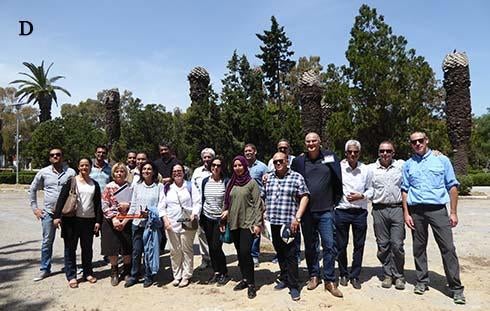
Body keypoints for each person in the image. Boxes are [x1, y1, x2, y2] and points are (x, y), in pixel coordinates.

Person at [402, 132, 465, 304]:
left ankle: (456, 287)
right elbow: (405, 189)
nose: (417, 144)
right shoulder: (408, 165)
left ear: (426, 140)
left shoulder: (442, 160)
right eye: (414, 142)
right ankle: (422, 281)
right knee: (419, 247)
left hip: (438, 210)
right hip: (416, 212)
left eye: (420, 141)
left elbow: (452, 186)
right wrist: (406, 213)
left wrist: (453, 212)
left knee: (448, 248)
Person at [291, 132, 343, 298]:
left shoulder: (329, 157)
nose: (311, 143)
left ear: (320, 142)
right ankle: (314, 276)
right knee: (311, 246)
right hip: (307, 213)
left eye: (314, 141)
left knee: (329, 245)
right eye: (308, 141)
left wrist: (334, 201)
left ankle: (329, 280)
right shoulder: (299, 161)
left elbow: (337, 180)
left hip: (326, 210)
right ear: (305, 143)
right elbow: (290, 178)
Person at [263, 152, 309, 301]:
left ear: (287, 161)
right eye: (275, 161)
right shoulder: (269, 177)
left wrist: (298, 217)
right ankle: (284, 278)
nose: (278, 164)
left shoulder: (296, 177)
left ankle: (294, 286)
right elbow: (264, 197)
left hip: (289, 223)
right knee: (280, 252)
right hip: (273, 223)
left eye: (280, 161)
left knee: (291, 254)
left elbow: (304, 196)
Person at [53, 158, 103, 288]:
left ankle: (88, 273)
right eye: (82, 165)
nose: (84, 167)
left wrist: (98, 221)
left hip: (89, 220)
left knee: (87, 249)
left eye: (87, 165)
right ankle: (72, 276)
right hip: (72, 220)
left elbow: (97, 204)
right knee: (70, 248)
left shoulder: (94, 184)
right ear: (78, 167)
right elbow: (62, 199)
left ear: (90, 167)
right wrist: (57, 216)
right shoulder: (71, 181)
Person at [28, 148, 76, 281]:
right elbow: (32, 189)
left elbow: (76, 191)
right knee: (47, 241)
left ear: (62, 156)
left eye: (58, 155)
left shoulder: (71, 172)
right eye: (52, 155)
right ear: (49, 158)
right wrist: (35, 208)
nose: (55, 157)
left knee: (69, 242)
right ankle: (45, 269)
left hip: (67, 214)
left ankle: (70, 267)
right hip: (49, 213)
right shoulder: (43, 172)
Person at [221, 155, 264, 299]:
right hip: (234, 223)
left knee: (246, 253)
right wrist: (225, 213)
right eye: (235, 166)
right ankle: (245, 279)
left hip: (248, 223)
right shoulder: (231, 183)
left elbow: (258, 204)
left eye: (240, 165)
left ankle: (251, 284)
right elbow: (227, 201)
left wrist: (258, 224)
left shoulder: (251, 183)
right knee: (240, 254)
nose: (237, 168)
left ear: (245, 166)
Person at [367, 141, 406, 290]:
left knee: (397, 244)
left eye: (388, 151)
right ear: (378, 153)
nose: (385, 153)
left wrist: (435, 153)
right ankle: (388, 274)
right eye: (382, 151)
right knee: (383, 245)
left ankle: (399, 275)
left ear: (393, 153)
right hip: (379, 210)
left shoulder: (401, 166)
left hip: (397, 209)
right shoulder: (371, 169)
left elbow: (417, 161)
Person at [335, 140, 373, 290]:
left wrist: (361, 195)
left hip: (359, 213)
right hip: (342, 211)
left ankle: (355, 275)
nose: (353, 154)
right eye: (350, 151)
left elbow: (371, 189)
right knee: (341, 245)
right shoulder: (339, 168)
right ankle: (343, 273)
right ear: (345, 153)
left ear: (359, 153)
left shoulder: (366, 170)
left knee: (359, 245)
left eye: (355, 152)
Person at [159, 163, 201, 288]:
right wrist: (165, 221)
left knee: (186, 249)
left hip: (187, 220)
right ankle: (177, 275)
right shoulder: (167, 188)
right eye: (175, 171)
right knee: (174, 250)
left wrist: (194, 213)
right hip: (172, 222)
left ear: (183, 172)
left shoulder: (190, 186)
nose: (177, 173)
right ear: (172, 173)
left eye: (179, 171)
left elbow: (197, 202)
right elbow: (161, 206)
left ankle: (187, 275)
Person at [125, 161, 163, 288]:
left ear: (153, 172)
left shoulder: (159, 187)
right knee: (136, 251)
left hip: (151, 225)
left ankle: (149, 275)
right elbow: (133, 205)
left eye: (149, 169)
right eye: (144, 169)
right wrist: (126, 219)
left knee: (149, 251)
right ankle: (134, 275)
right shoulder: (137, 186)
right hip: (137, 224)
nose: (146, 171)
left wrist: (150, 213)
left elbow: (160, 206)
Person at [265, 139, 301, 265]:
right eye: (280, 148)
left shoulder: (295, 161)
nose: (283, 149)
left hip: (290, 214)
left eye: (285, 147)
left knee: (291, 246)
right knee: (279, 245)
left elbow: (302, 192)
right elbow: (269, 177)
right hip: (275, 216)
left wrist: (298, 216)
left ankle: (293, 277)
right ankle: (284, 274)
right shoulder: (271, 163)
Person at [101, 163, 133, 286]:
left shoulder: (130, 187)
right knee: (112, 247)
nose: (119, 174)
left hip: (127, 220)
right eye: (117, 171)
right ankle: (114, 271)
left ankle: (127, 271)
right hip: (111, 221)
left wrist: (128, 206)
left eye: (122, 171)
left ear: (125, 173)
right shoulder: (108, 187)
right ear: (113, 173)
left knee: (126, 246)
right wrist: (114, 218)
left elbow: (134, 203)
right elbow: (104, 204)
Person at [200, 156, 230, 286]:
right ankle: (216, 272)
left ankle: (224, 272)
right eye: (213, 165)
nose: (215, 168)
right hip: (207, 217)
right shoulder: (205, 181)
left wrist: (226, 215)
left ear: (222, 167)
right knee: (211, 249)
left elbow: (229, 201)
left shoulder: (226, 181)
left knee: (216, 246)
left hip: (220, 219)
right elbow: (203, 199)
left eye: (218, 165)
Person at [243, 143, 268, 267]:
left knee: (256, 228)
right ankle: (245, 255)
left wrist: (262, 198)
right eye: (246, 151)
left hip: (257, 202)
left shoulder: (262, 167)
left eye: (250, 151)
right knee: (245, 229)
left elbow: (267, 184)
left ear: (255, 152)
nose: (248, 153)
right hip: (244, 203)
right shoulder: (241, 166)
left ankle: (254, 256)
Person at [190, 148, 215, 271]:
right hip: (200, 207)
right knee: (201, 234)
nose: (207, 159)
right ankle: (206, 259)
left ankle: (215, 258)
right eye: (204, 157)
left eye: (209, 157)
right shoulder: (197, 172)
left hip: (213, 207)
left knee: (214, 235)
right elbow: (193, 190)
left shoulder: (217, 170)